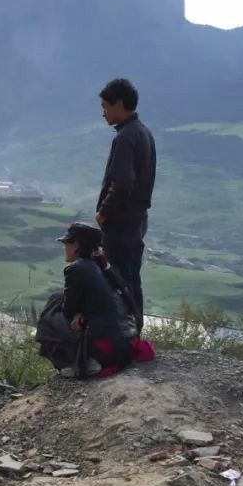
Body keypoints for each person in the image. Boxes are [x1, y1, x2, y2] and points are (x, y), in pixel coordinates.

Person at [36, 222, 155, 378]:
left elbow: (68, 310)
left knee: (49, 318)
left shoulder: (76, 269)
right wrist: (81, 312)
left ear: (76, 245)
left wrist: (77, 313)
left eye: (67, 244)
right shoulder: (100, 265)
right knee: (57, 298)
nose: (65, 248)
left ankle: (77, 363)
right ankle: (86, 359)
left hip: (107, 347)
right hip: (124, 342)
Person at [95, 77, 156, 319]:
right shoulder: (143, 133)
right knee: (132, 279)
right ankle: (134, 332)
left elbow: (121, 183)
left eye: (105, 106)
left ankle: (123, 334)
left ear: (119, 104)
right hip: (137, 220)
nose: (103, 113)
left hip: (122, 223)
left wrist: (103, 213)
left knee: (117, 280)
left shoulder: (126, 137)